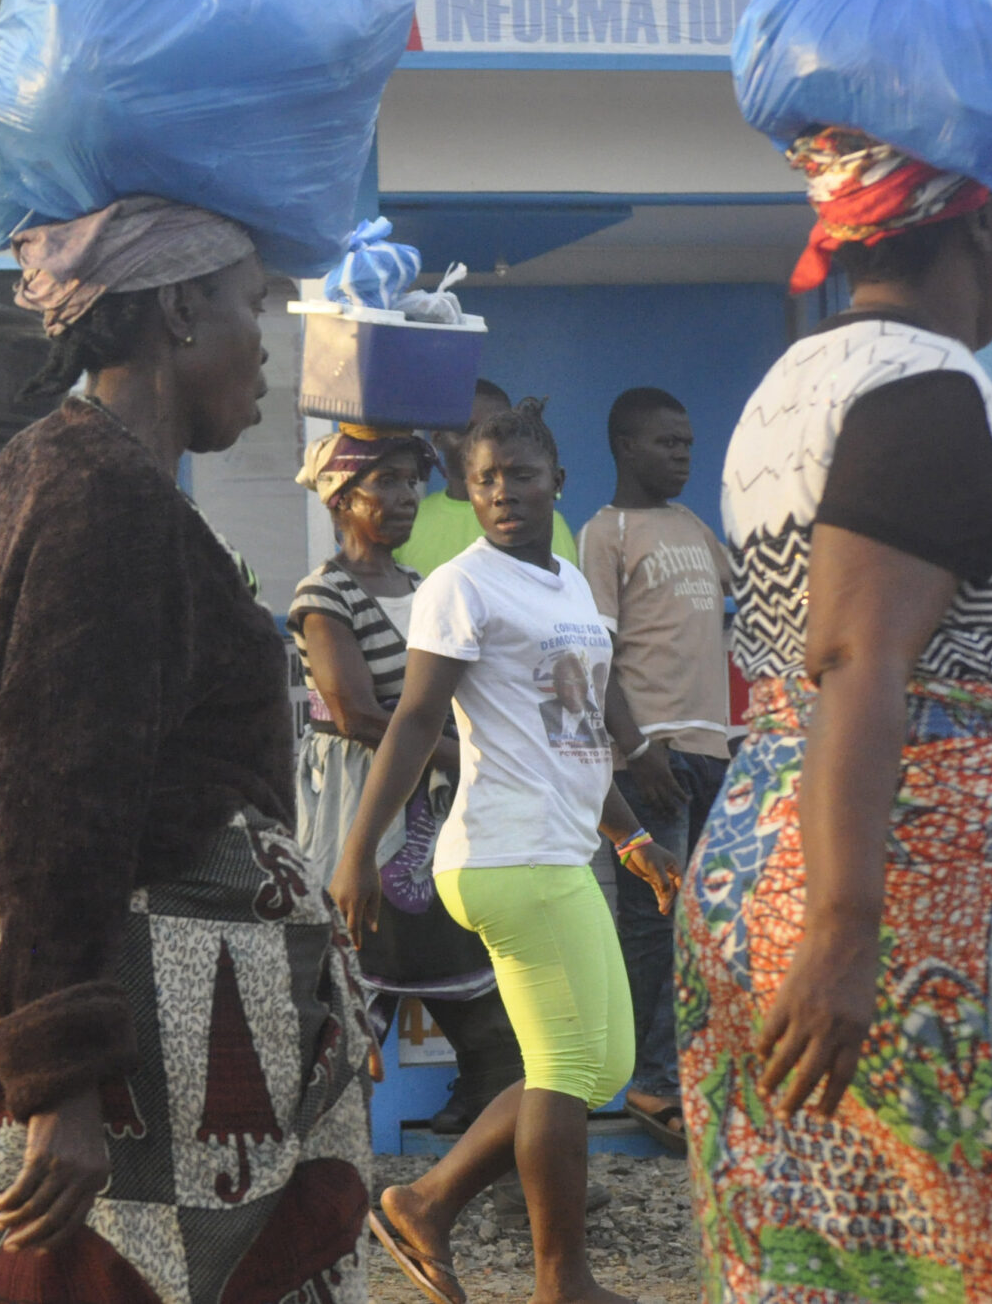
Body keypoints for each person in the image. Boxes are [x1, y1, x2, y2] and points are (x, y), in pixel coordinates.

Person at [689, 127, 992, 1298]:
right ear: (984, 220)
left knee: (851, 1259)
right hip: (936, 918)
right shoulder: (922, 390)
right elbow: (858, 654)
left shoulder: (796, 383)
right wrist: (845, 926)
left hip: (799, 862)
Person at [0, 197, 374, 1304]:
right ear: (179, 309)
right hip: (144, 1022)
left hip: (148, 1002)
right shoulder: (99, 494)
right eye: (254, 306)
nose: (268, 345)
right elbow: (56, 786)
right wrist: (62, 1077)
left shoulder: (73, 470)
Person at [333, 402, 679, 1304]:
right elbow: (415, 721)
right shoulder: (461, 586)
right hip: (504, 853)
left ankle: (426, 1202)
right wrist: (357, 851)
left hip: (560, 849)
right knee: (565, 1067)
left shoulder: (567, 586)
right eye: (484, 479)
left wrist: (631, 835)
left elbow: (577, 731)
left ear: (557, 482)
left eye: (520, 475)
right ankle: (562, 1281)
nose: (502, 492)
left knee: (600, 1067)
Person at [290, 429, 521, 1138]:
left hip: (429, 813)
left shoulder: (424, 588)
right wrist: (468, 757)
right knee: (350, 990)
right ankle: (329, 1157)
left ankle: (496, 1150)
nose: (404, 496)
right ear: (340, 500)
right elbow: (358, 714)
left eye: (409, 481)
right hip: (362, 808)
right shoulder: (324, 593)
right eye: (383, 483)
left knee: (469, 986)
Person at [575, 386, 737, 1157]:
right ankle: (651, 1081)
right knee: (657, 925)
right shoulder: (605, 533)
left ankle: (691, 1075)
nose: (683, 456)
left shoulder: (695, 528)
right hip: (654, 759)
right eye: (668, 443)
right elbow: (595, 657)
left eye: (688, 444)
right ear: (626, 446)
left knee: (705, 925)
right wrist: (636, 750)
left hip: (713, 753)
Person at [398, 380, 579, 576]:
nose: (481, 441)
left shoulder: (546, 525)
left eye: (496, 430)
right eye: (465, 429)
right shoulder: (407, 523)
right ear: (436, 436)